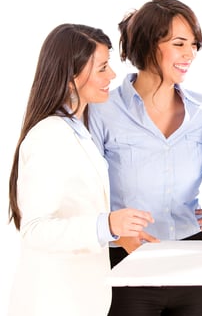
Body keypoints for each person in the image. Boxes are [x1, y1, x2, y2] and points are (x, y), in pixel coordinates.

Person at [7, 24, 154, 316]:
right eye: (102, 68)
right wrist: (107, 225)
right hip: (53, 303)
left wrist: (115, 234)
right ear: (71, 77)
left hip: (81, 301)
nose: (112, 75)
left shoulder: (78, 129)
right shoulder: (49, 135)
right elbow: (35, 229)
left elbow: (75, 211)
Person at [88, 0, 202, 316]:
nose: (190, 53)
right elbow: (85, 188)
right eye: (179, 43)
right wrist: (117, 233)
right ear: (149, 45)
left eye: (194, 45)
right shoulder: (104, 110)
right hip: (128, 260)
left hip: (194, 262)